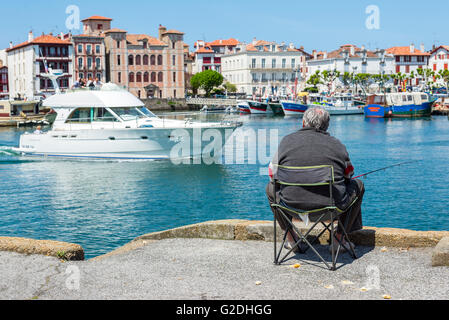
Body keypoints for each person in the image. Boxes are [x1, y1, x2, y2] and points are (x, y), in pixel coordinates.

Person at [266, 106, 365, 252]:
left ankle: (292, 239)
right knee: (359, 185)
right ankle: (339, 239)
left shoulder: (286, 142)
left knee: (270, 188)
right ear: (326, 125)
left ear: (304, 123)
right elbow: (349, 174)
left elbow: (272, 174)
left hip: (291, 206)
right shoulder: (337, 145)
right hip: (331, 209)